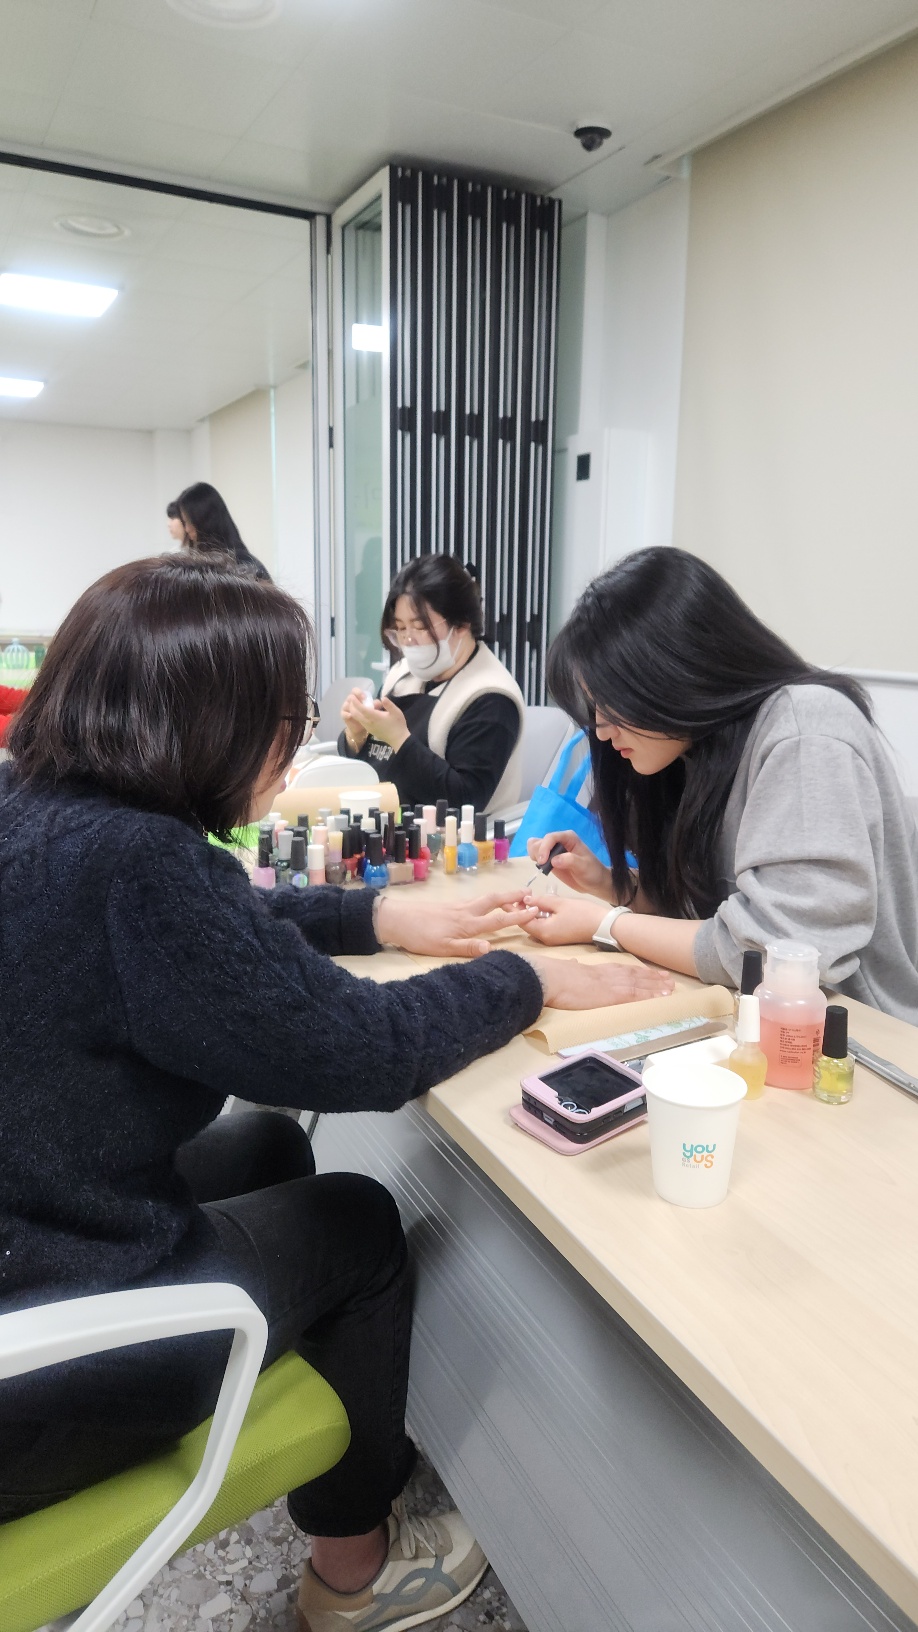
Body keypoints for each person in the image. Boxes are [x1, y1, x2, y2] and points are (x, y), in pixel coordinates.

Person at [0, 553, 671, 1632]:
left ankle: (323, 1409)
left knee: (267, 1150)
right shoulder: (139, 867)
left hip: (32, 1237)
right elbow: (362, 1051)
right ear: (217, 721)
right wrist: (525, 980)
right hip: (41, 1372)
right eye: (291, 717)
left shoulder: (34, 807)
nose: (297, 741)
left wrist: (376, 916)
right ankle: (353, 1573)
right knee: (358, 1219)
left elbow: (209, 926)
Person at [521, 546, 918, 1023]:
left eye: (611, 703)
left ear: (672, 671)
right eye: (594, 710)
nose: (602, 731)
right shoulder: (698, 749)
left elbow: (776, 954)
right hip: (753, 1021)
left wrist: (607, 924)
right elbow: (712, 916)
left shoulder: (805, 731)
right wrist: (611, 885)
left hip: (861, 1036)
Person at [338, 555, 524, 813]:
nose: (408, 640)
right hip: (384, 821)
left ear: (461, 624)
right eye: (400, 628)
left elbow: (465, 800)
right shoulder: (402, 675)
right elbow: (370, 763)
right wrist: (356, 735)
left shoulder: (491, 697)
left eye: (419, 627)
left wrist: (399, 739)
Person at [170, 480, 272, 581]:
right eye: (184, 522)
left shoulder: (244, 567)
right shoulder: (198, 565)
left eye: (189, 522)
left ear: (204, 521)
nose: (187, 529)